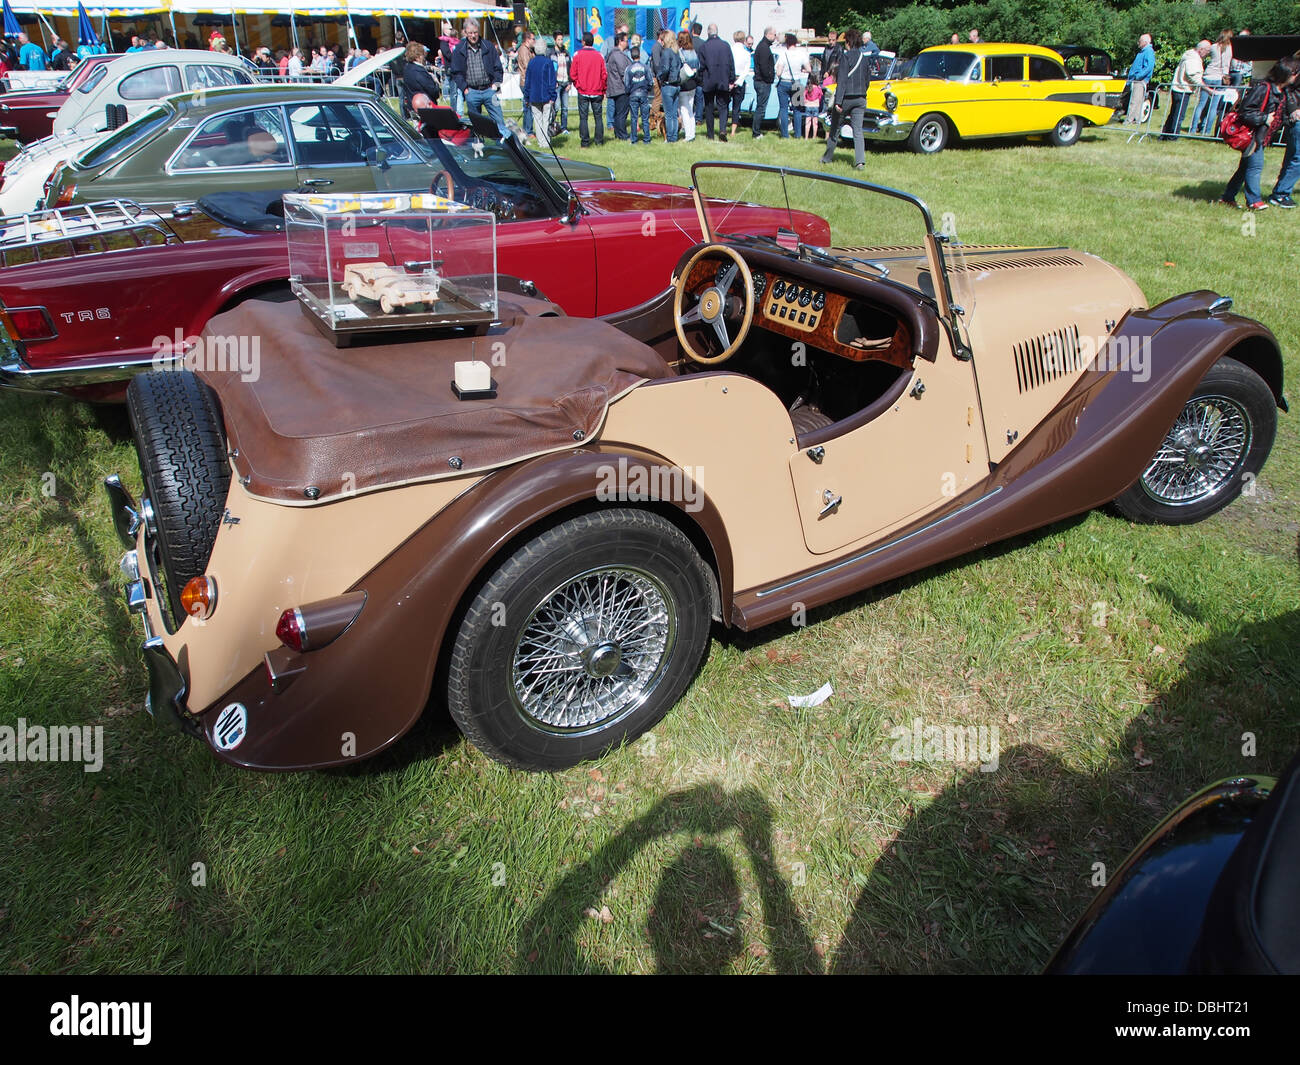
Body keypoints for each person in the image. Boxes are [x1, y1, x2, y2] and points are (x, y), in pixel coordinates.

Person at [1218, 55, 1299, 210]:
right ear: (1288, 73)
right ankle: (1254, 201)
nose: (1296, 77)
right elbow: (1245, 112)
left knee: (1244, 169)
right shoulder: (1263, 88)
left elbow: (1280, 114)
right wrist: (1264, 118)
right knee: (1255, 166)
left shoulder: (1283, 91)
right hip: (1253, 135)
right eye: (1296, 73)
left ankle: (1228, 197)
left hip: (1262, 136)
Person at [451, 18, 507, 137]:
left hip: (489, 90)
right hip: (472, 91)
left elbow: (498, 67)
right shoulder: (459, 49)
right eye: (470, 33)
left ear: (479, 31)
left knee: (499, 121)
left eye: (475, 32)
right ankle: (479, 147)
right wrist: (465, 89)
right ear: (465, 33)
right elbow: (456, 72)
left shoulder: (488, 46)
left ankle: (505, 145)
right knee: (476, 125)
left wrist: (496, 84)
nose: (473, 35)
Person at [821, 28, 867, 169]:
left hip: (846, 98)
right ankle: (860, 162)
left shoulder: (845, 57)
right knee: (858, 131)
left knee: (835, 128)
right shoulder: (863, 58)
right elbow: (867, 81)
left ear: (848, 42)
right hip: (860, 98)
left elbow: (842, 81)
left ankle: (827, 158)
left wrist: (838, 102)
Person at [1267, 53, 1300, 208]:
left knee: (1293, 157)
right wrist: (1294, 109)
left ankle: (1280, 192)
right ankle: (1281, 194)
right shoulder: (1295, 68)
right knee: (1297, 157)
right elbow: (1288, 88)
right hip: (1297, 117)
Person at [1160, 40, 1211, 140]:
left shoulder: (1189, 55)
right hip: (1182, 90)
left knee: (1174, 113)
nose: (1208, 53)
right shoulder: (1193, 59)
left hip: (1178, 88)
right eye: (1207, 51)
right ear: (1201, 49)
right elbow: (1193, 77)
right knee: (1179, 116)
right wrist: (1208, 89)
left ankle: (1164, 135)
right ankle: (1172, 137)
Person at [1192, 30, 1233, 136]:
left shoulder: (1214, 46)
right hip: (1220, 78)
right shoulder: (1230, 49)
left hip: (1208, 75)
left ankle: (1193, 129)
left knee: (1201, 104)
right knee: (1213, 107)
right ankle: (1207, 130)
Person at [570, 31, 607, 147]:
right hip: (597, 90)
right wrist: (603, 89)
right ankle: (599, 141)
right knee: (598, 117)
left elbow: (572, 74)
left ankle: (585, 142)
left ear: (583, 42)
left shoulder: (577, 55)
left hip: (583, 90)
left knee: (583, 117)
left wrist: (578, 85)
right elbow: (604, 75)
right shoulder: (599, 56)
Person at [698, 23, 734, 141]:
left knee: (709, 108)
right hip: (723, 80)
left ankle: (710, 134)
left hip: (709, 81)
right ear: (717, 32)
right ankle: (723, 129)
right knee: (723, 107)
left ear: (708, 32)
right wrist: (731, 79)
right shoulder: (725, 45)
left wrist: (700, 80)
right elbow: (731, 64)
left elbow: (701, 66)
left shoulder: (704, 46)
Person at [523, 43, 557, 149]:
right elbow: (552, 81)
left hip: (534, 96)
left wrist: (527, 97)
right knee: (546, 119)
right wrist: (553, 96)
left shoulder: (531, 63)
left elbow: (527, 82)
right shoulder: (548, 62)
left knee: (537, 120)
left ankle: (540, 142)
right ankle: (546, 142)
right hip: (546, 96)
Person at [773, 33, 803, 139]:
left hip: (784, 83)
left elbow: (778, 72)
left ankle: (785, 135)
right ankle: (798, 134)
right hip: (797, 82)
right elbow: (808, 68)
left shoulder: (783, 54)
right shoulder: (802, 54)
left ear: (787, 43)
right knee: (797, 109)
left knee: (784, 109)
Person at [656, 30, 682, 143]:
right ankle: (674, 136)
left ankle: (670, 138)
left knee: (669, 114)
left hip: (668, 85)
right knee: (674, 113)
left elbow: (665, 68)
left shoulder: (666, 52)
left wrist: (659, 76)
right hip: (677, 85)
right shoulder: (676, 52)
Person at [1124, 33, 1155, 126]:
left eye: (1140, 41)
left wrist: (1138, 76)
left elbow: (1149, 67)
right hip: (1136, 80)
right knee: (1137, 101)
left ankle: (1129, 120)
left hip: (1139, 81)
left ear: (1145, 42)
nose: (1138, 43)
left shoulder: (1148, 52)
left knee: (1134, 101)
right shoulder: (1143, 51)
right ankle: (1136, 120)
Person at [606, 32, 631, 141]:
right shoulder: (618, 55)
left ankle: (618, 133)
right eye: (626, 40)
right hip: (620, 88)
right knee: (621, 113)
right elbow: (624, 72)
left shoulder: (613, 54)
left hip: (615, 88)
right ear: (620, 42)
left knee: (618, 113)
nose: (627, 43)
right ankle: (622, 135)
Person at [403, 42, 441, 114]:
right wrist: (435, 81)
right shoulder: (420, 71)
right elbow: (434, 92)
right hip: (425, 108)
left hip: (413, 106)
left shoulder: (407, 68)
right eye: (423, 55)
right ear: (419, 57)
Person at [751, 26, 776, 137]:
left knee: (760, 107)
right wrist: (769, 78)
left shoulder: (762, 46)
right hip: (763, 82)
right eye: (774, 35)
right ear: (768, 35)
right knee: (761, 108)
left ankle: (756, 130)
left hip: (760, 81)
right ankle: (756, 132)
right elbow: (764, 67)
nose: (775, 37)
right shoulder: (764, 48)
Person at [625, 45, 652, 144]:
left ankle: (634, 139)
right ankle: (647, 139)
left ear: (631, 56)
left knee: (634, 117)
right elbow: (650, 81)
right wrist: (647, 90)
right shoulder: (645, 67)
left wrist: (628, 92)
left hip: (633, 94)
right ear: (639, 55)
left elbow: (626, 83)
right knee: (645, 118)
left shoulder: (629, 68)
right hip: (644, 94)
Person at [677, 30, 700, 142]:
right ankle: (692, 132)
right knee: (690, 109)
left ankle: (688, 135)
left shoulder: (680, 52)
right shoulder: (693, 52)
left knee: (684, 110)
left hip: (684, 84)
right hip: (693, 84)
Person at [729, 30, 751, 138]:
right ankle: (733, 131)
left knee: (724, 105)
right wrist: (738, 82)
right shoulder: (747, 54)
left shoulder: (729, 51)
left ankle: (724, 126)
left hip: (729, 80)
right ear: (743, 40)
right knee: (736, 107)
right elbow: (746, 71)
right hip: (740, 80)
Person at [516, 31, 535, 139]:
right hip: (526, 82)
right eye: (533, 39)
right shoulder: (524, 50)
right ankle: (528, 130)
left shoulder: (528, 50)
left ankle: (527, 129)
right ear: (527, 39)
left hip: (527, 81)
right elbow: (528, 67)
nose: (534, 41)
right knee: (528, 106)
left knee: (528, 106)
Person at [553, 38, 571, 132]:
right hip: (557, 83)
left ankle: (564, 127)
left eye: (562, 39)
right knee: (556, 106)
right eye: (559, 39)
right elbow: (551, 68)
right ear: (555, 40)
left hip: (566, 82)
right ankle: (552, 125)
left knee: (565, 108)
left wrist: (570, 82)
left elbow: (570, 67)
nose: (561, 41)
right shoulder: (551, 53)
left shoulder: (566, 53)